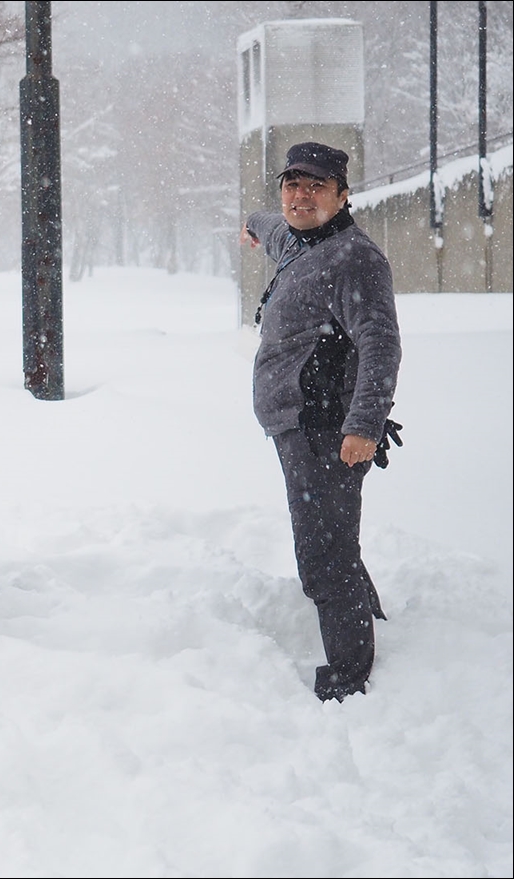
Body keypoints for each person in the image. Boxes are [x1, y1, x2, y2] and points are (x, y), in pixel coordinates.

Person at [242, 141, 402, 702]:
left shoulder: (353, 258)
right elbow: (269, 224)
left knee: (323, 556)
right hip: (296, 423)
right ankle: (372, 620)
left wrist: (363, 426)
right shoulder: (296, 239)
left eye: (315, 186)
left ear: (342, 196)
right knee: (335, 537)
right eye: (292, 185)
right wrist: (252, 225)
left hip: (327, 430)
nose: (300, 195)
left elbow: (380, 344)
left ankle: (350, 676)